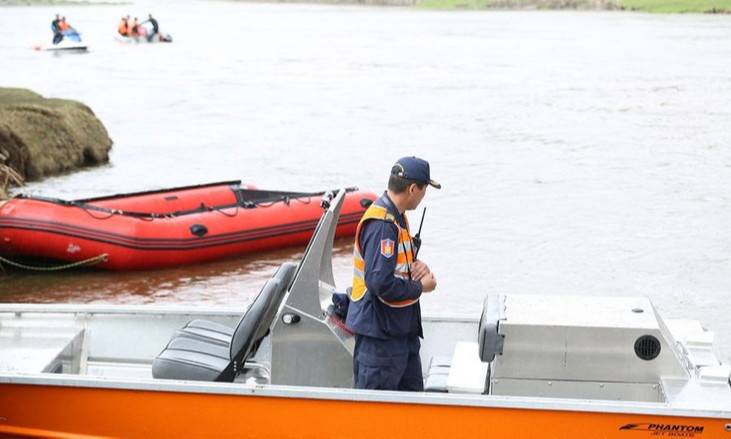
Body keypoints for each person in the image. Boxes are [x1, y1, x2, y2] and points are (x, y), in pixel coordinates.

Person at [345, 156, 440, 391]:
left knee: (410, 411)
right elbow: (381, 283)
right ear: (412, 189)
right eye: (425, 189)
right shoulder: (382, 225)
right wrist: (421, 287)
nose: (424, 195)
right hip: (381, 340)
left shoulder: (399, 218)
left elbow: (396, 263)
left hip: (401, 334)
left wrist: (418, 267)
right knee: (375, 417)